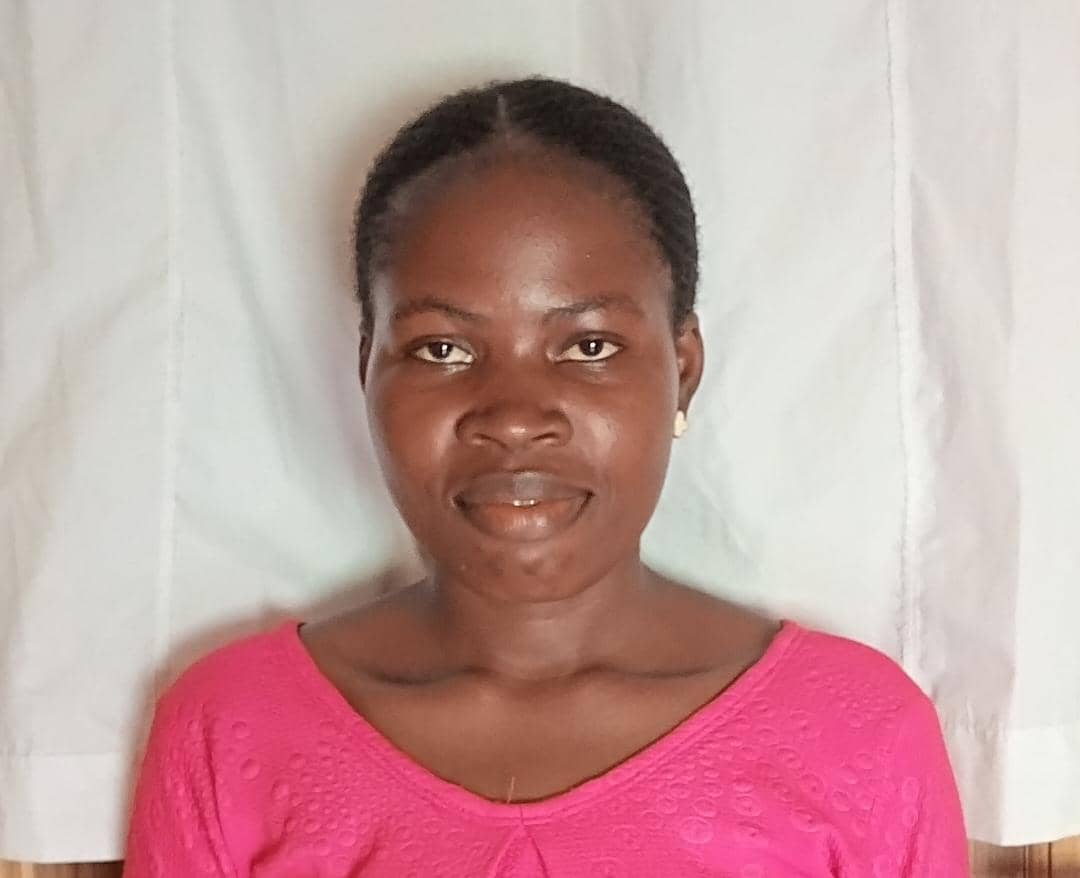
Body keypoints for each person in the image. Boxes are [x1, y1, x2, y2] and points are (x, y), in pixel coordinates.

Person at [122, 76, 969, 876]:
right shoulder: (229, 732)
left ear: (682, 370)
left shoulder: (858, 736)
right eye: (442, 349)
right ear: (367, 368)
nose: (514, 416)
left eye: (588, 345)